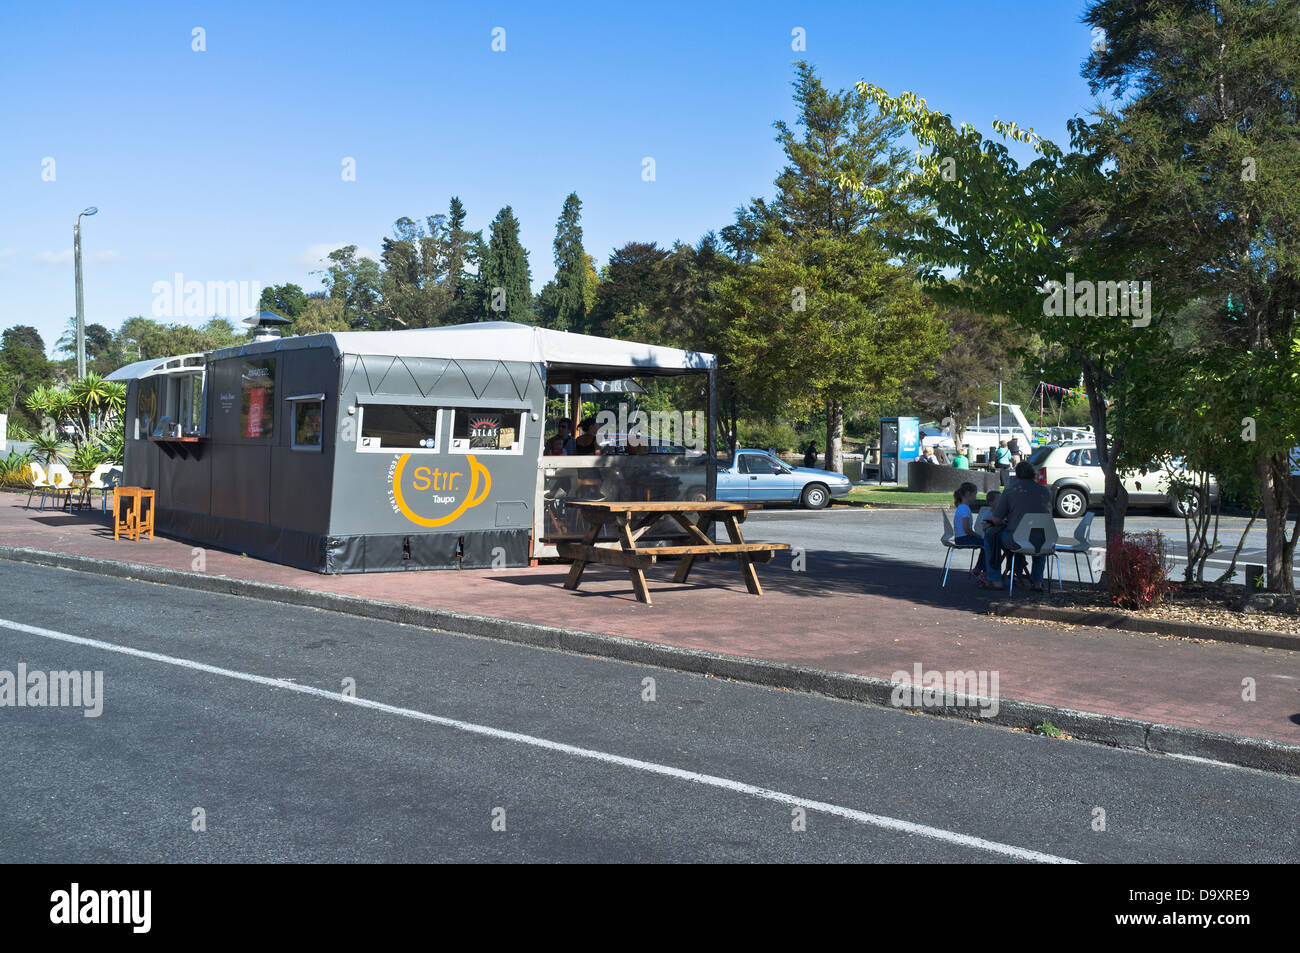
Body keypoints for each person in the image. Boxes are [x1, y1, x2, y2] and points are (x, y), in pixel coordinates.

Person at [981, 460, 1053, 592]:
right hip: (1045, 539)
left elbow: (996, 519)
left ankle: (995, 579)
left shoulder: (1010, 490)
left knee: (989, 536)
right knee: (1040, 541)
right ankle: (1037, 582)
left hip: (1017, 539)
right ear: (1033, 474)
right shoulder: (1045, 491)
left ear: (1017, 476)